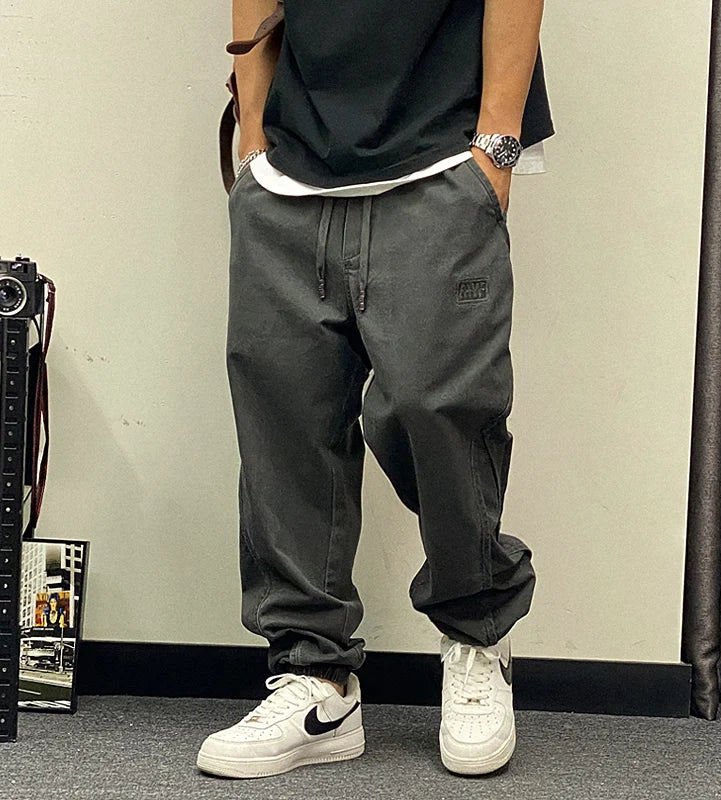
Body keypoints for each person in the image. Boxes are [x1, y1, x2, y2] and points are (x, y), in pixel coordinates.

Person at [197, 0, 554, 779]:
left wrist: (496, 148)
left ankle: (477, 636)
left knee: (437, 408)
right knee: (284, 423)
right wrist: (252, 134)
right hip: (291, 162)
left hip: (439, 152)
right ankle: (314, 677)